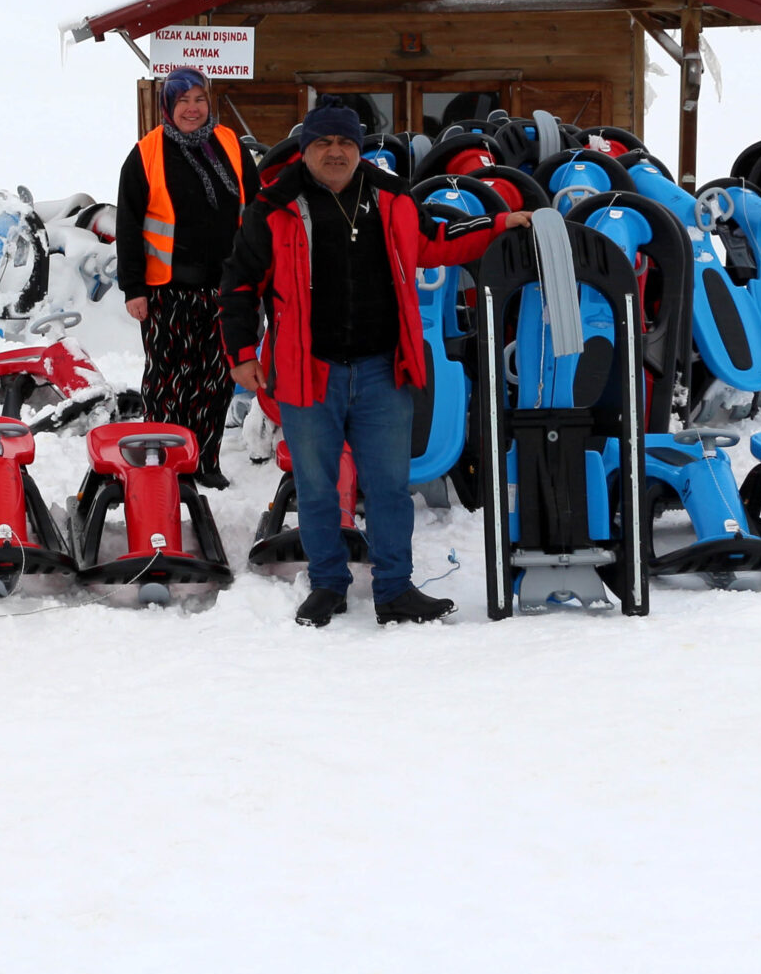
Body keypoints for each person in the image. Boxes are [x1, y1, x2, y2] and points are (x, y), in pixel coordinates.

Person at [221, 103, 532, 627]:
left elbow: (435, 243)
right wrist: (242, 354)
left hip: (382, 369)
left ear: (358, 148)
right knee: (316, 488)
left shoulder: (392, 196)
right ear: (305, 150)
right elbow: (239, 285)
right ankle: (327, 585)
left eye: (345, 143)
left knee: (390, 488)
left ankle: (394, 589)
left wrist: (500, 222)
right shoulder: (273, 206)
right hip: (307, 370)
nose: (335, 152)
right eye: (324, 143)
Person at [115, 67, 245, 486]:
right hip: (166, 291)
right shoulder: (146, 154)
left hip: (224, 289)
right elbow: (128, 226)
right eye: (183, 100)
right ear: (167, 106)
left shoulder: (230, 144)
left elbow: (257, 209)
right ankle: (166, 462)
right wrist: (133, 288)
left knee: (216, 379)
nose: (193, 108)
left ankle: (205, 462)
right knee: (168, 382)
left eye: (199, 99)